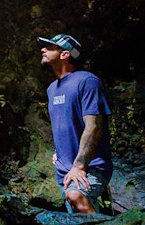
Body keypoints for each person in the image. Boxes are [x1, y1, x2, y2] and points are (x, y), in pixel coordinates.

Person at [38, 33, 113, 214]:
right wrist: (59, 153)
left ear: (65, 54)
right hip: (64, 170)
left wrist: (79, 166)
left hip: (90, 166)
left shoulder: (87, 81)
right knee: (78, 220)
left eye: (50, 47)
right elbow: (64, 125)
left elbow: (93, 126)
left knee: (76, 196)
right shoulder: (51, 89)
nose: (43, 50)